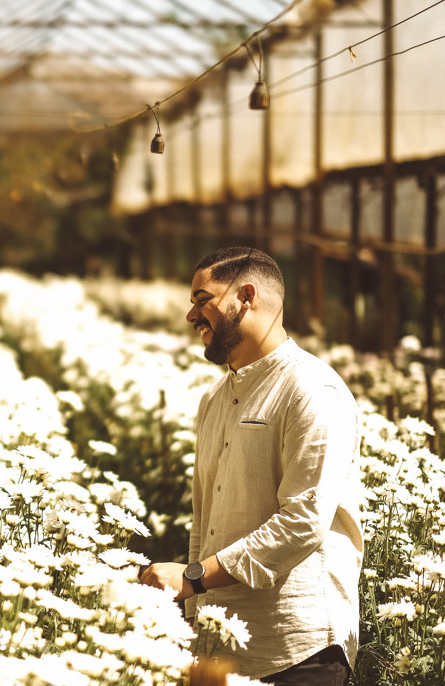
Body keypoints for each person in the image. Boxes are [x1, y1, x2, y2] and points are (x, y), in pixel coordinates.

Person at [138, 247, 362, 685]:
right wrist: (193, 619)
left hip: (295, 650)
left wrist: (192, 578)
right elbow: (205, 520)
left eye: (203, 300)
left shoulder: (312, 390)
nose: (191, 316)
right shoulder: (214, 399)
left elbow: (303, 522)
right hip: (220, 647)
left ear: (246, 297)